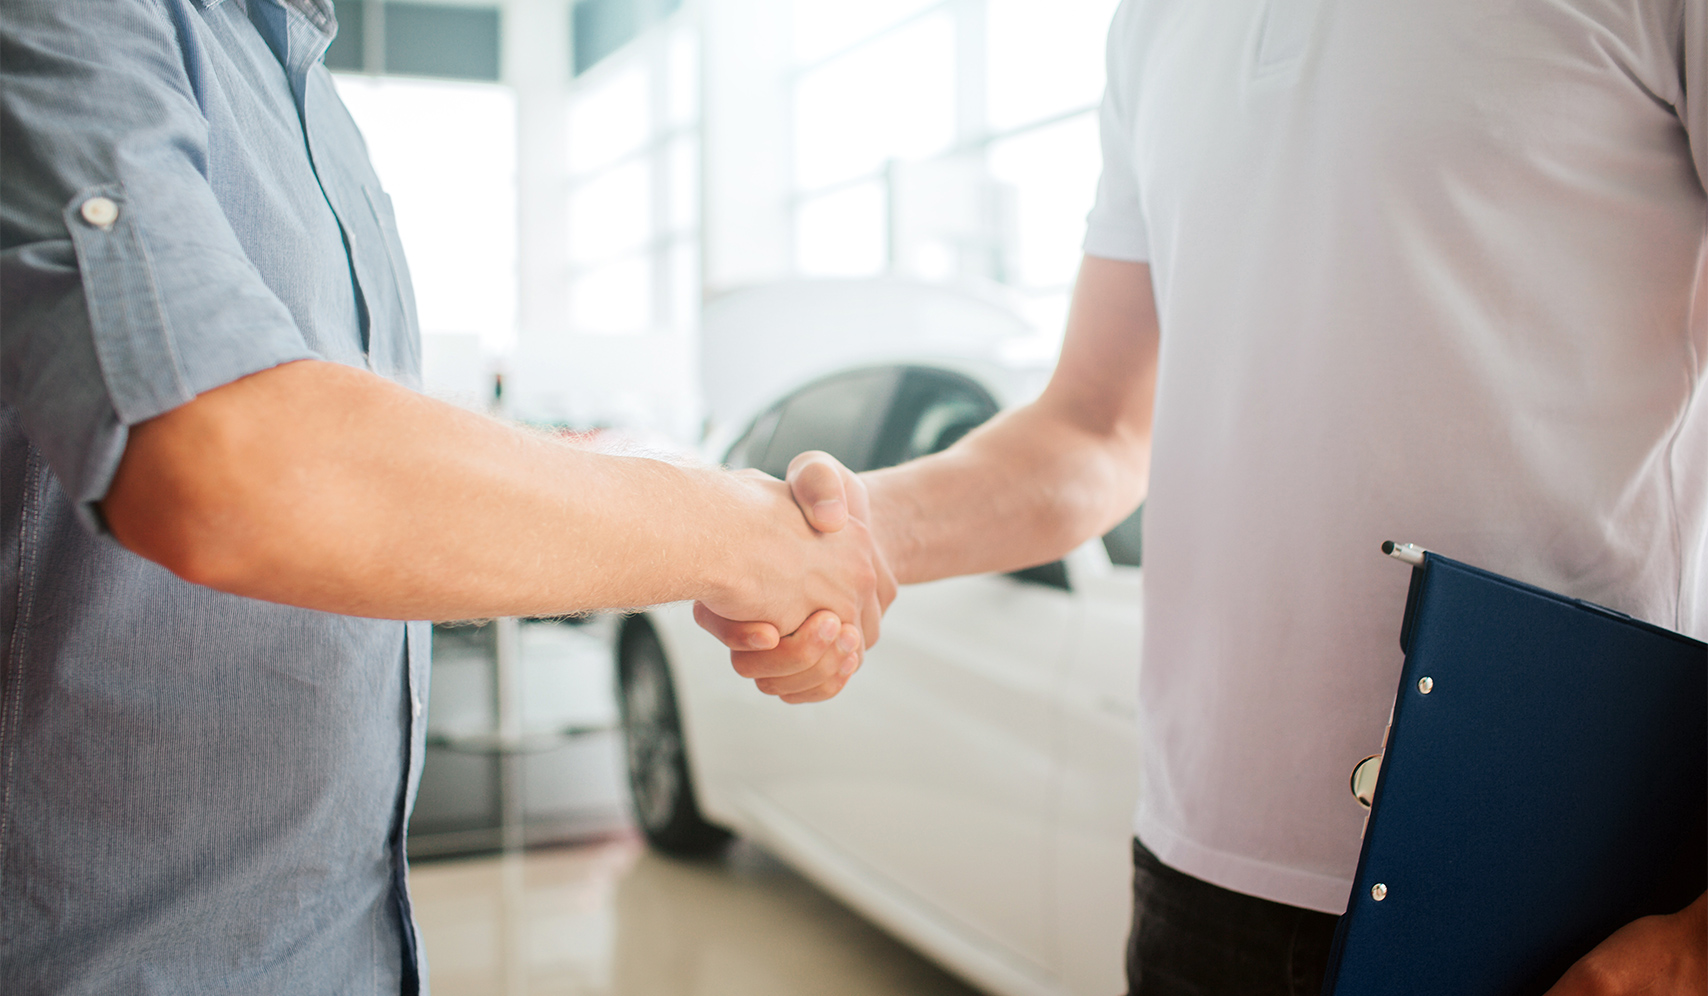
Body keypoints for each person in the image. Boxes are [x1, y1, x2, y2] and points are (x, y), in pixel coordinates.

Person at [697, 1, 1708, 992]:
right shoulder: (1152, 22)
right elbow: (1095, 428)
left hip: (1550, 888)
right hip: (1196, 882)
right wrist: (840, 538)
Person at [0, 1, 887, 991]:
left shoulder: (311, 100)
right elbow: (230, 468)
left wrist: (655, 472)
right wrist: (731, 535)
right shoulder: (82, 23)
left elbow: (367, 438)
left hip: (343, 948)